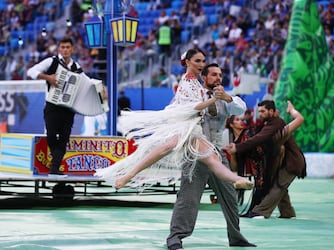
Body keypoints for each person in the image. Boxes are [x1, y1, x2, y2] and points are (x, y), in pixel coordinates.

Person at [95, 48, 253, 192]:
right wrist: (212, 100)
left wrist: (220, 98)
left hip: (195, 130)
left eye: (203, 61)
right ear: (188, 62)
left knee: (212, 159)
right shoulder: (186, 82)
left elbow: (233, 107)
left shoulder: (197, 84)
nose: (201, 64)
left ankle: (237, 179)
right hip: (183, 126)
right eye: (198, 61)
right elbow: (194, 107)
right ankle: (128, 175)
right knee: (166, 147)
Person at [166, 63, 256, 250]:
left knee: (230, 197)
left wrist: (227, 97)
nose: (218, 78)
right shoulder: (193, 95)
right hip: (195, 154)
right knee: (188, 199)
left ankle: (236, 236)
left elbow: (241, 109)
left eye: (220, 75)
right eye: (213, 75)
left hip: (216, 154)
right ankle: (175, 237)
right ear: (204, 78)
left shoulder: (225, 98)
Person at [224, 100, 306, 219]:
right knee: (280, 186)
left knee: (278, 186)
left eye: (263, 111)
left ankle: (261, 212)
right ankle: (287, 213)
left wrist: (237, 147)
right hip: (282, 162)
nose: (260, 114)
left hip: (290, 162)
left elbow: (259, 139)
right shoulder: (268, 125)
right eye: (259, 111)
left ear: (271, 111)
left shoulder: (276, 124)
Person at [27, 37, 94, 176]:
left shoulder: (76, 67)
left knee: (64, 138)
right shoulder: (51, 61)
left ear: (72, 49)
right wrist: (48, 78)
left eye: (68, 47)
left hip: (68, 109)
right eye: (62, 47)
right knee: (51, 135)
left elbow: (87, 82)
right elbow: (31, 72)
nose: (65, 50)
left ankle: (54, 169)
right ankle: (55, 168)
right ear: (59, 49)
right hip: (52, 106)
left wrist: (101, 89)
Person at [225, 114, 265, 208]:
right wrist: (233, 154)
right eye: (237, 120)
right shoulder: (231, 142)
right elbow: (234, 167)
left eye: (241, 119)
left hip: (259, 166)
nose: (241, 121)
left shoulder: (249, 134)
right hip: (245, 170)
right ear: (231, 124)